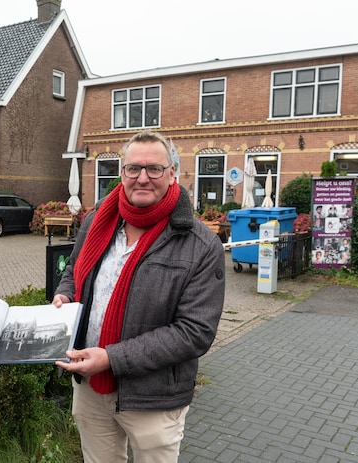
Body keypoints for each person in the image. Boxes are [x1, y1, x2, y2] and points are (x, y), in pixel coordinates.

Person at [52, 130, 225, 462]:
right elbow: (73, 270)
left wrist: (112, 358)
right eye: (133, 168)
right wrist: (65, 296)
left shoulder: (200, 245)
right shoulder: (96, 222)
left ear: (172, 174)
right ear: (122, 173)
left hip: (154, 399)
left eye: (154, 169)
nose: (142, 178)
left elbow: (195, 332)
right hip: (90, 386)